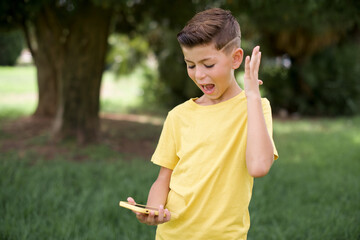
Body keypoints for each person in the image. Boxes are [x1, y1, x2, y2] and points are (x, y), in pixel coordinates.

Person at [127, 7, 279, 240]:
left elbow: (259, 167)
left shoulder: (255, 108)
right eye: (190, 65)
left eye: (208, 65)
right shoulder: (178, 116)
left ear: (235, 58)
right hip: (172, 235)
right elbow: (163, 179)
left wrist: (253, 96)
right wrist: (153, 208)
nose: (199, 75)